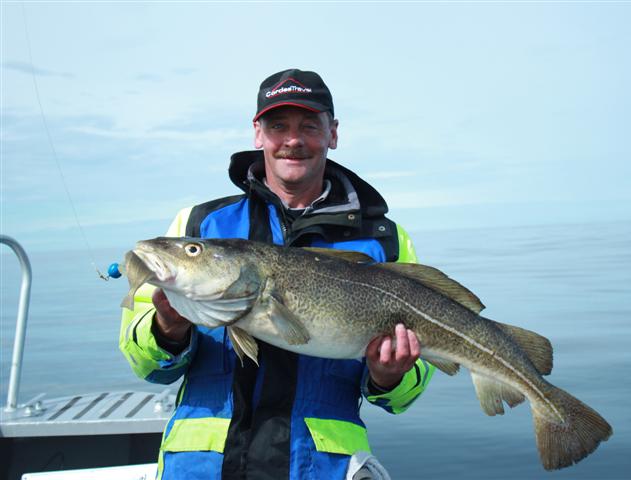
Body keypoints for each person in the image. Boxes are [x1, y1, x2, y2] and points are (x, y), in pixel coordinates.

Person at [120, 68, 435, 480]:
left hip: (319, 468)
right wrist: (167, 329)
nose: (292, 140)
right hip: (201, 469)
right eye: (278, 126)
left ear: (333, 133)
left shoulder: (384, 241)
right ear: (258, 134)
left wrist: (389, 376)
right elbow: (145, 365)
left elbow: (405, 395)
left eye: (309, 126)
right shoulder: (199, 225)